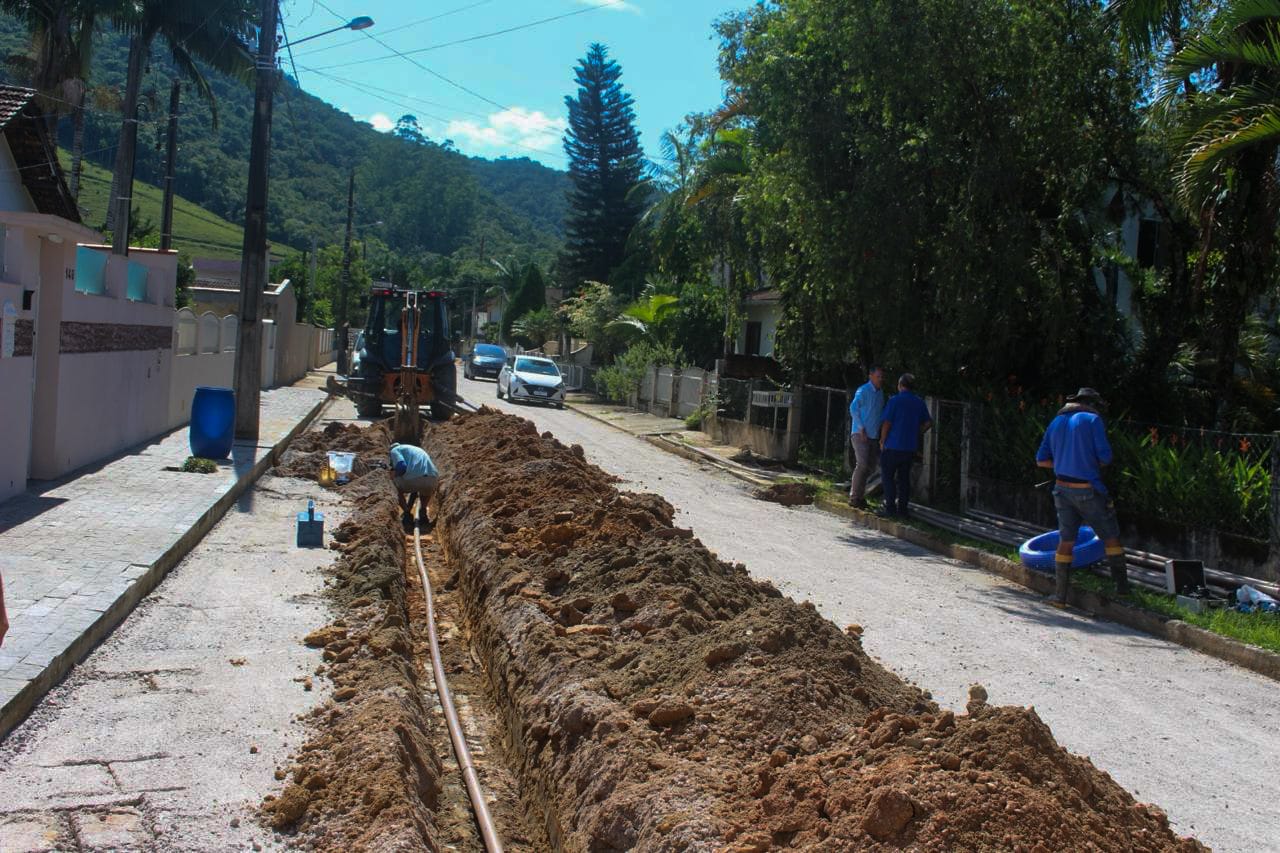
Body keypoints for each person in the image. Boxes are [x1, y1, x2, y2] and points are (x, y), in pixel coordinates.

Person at [1035, 387, 1127, 604]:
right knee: (1111, 538)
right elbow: (1106, 457)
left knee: (1066, 540)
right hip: (1088, 489)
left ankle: (1060, 596)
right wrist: (1084, 464)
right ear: (1092, 404)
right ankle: (1122, 591)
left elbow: (1041, 460)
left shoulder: (1055, 422)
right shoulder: (1092, 420)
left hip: (1061, 489)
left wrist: (1065, 462)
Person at [878, 373, 932, 518]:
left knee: (888, 477)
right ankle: (902, 510)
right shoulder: (919, 402)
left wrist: (882, 441)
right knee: (904, 480)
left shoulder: (894, 401)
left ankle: (889, 508)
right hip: (909, 448)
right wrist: (916, 433)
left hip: (893, 446)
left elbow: (887, 423)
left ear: (900, 385)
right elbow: (928, 423)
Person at [848, 366, 886, 508]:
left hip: (873, 436)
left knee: (869, 467)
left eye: (882, 377)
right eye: (878, 376)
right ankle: (854, 497)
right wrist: (861, 427)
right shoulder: (863, 390)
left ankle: (860, 496)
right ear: (871, 376)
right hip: (860, 434)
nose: (881, 379)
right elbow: (853, 408)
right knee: (862, 464)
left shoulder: (881, 393)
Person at [390, 442, 439, 532]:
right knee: (425, 489)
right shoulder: (416, 449)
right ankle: (423, 513)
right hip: (433, 478)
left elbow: (401, 467)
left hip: (415, 479)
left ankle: (407, 514)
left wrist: (393, 474)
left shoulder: (394, 450)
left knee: (392, 485)